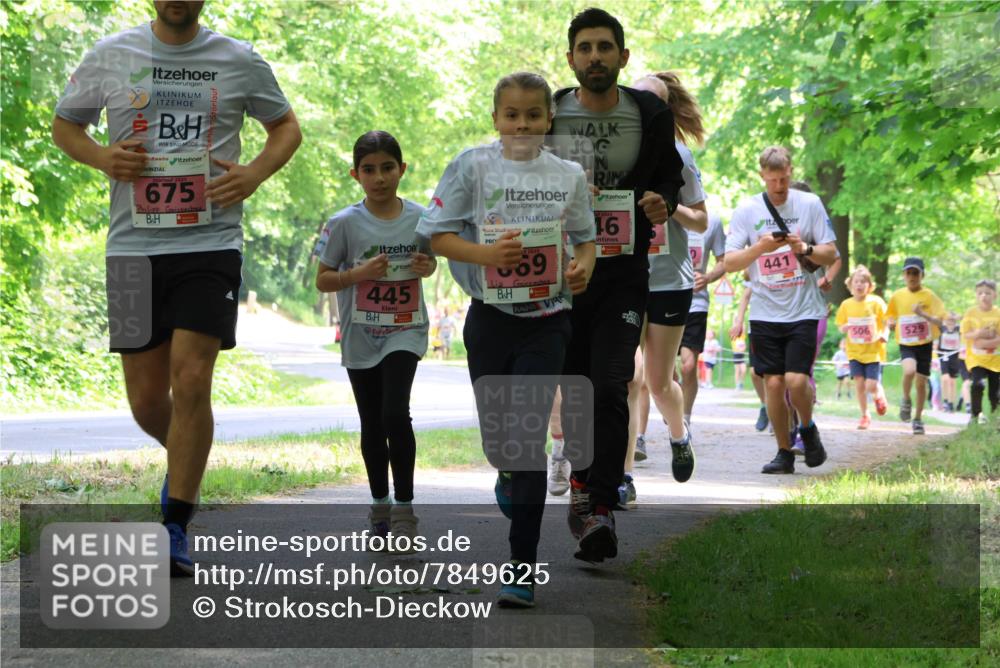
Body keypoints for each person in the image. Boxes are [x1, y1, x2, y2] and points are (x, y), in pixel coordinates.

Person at [51, 0, 301, 575]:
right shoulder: (111, 54)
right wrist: (103, 158)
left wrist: (254, 173)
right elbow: (66, 126)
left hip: (210, 243)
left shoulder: (237, 58)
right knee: (145, 401)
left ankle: (175, 522)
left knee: (191, 379)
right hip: (131, 247)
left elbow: (286, 127)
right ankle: (190, 455)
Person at [418, 71, 596, 606]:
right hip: (490, 318)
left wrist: (582, 268)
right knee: (502, 444)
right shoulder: (472, 166)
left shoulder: (568, 174)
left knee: (527, 439)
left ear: (549, 120)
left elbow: (585, 241)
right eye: (512, 115)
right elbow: (437, 236)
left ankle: (522, 568)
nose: (522, 125)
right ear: (496, 118)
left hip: (548, 319)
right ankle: (507, 474)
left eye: (533, 115)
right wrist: (486, 255)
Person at [549, 8, 685, 563]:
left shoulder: (650, 113)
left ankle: (600, 507)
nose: (595, 57)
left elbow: (670, 178)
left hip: (624, 274)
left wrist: (661, 201)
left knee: (611, 383)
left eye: (605, 47)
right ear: (571, 58)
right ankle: (583, 484)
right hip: (564, 274)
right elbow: (517, 173)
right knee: (577, 389)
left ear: (623, 57)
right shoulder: (550, 110)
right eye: (585, 48)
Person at [316, 131, 435, 548]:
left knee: (395, 413)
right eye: (369, 170)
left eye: (387, 168)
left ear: (402, 170)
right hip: (361, 333)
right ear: (356, 175)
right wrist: (358, 274)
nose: (379, 177)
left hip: (405, 328)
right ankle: (379, 505)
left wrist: (427, 266)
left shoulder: (421, 218)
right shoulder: (344, 223)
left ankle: (405, 509)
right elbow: (323, 279)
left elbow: (430, 261)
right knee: (371, 420)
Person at [724, 146, 838, 474]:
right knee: (773, 384)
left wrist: (806, 248)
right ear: (762, 175)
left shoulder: (810, 204)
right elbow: (730, 262)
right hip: (765, 311)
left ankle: (808, 428)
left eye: (784, 179)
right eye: (772, 180)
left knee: (796, 380)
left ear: (790, 172)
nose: (779, 187)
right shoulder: (747, 210)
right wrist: (760, 247)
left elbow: (831, 254)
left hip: (804, 308)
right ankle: (783, 452)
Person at [624, 70, 707, 501]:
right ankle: (623, 477)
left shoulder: (679, 156)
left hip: (669, 281)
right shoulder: (615, 153)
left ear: (665, 110)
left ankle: (678, 434)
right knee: (628, 379)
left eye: (653, 103)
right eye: (636, 100)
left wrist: (669, 206)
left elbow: (701, 220)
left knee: (658, 383)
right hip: (624, 278)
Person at [886, 257, 947, 435]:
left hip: (925, 344)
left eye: (915, 273)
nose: (912, 277)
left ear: (922, 275)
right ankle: (905, 399)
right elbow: (890, 315)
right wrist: (890, 323)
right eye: (909, 273)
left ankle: (918, 419)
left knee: (921, 383)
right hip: (906, 343)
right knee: (909, 371)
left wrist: (923, 314)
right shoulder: (898, 296)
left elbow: (940, 321)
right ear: (904, 275)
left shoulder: (929, 296)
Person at [835, 265, 888, 429]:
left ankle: (879, 396)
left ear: (869, 286)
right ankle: (865, 415)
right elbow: (840, 325)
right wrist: (844, 328)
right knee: (859, 384)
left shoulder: (876, 302)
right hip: (854, 352)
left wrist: (885, 334)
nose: (859, 285)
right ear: (850, 285)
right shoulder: (846, 304)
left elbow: (887, 322)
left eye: (863, 282)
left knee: (870, 385)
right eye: (856, 282)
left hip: (873, 352)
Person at [731, 273, 770, 431]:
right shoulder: (755, 267)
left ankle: (782, 414)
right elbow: (746, 295)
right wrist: (739, 321)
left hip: (781, 323)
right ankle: (765, 406)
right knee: (755, 373)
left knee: (777, 376)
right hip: (757, 326)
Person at [961, 279, 1000, 424]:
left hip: (995, 360)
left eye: (988, 293)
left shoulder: (998, 313)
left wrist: (984, 342)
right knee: (978, 385)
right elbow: (966, 334)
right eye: (980, 293)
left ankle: (996, 419)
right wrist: (979, 333)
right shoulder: (971, 313)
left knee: (995, 393)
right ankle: (975, 416)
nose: (984, 296)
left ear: (995, 295)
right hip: (976, 359)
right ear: (976, 295)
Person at [938, 312, 963, 412]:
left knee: (952, 382)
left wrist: (959, 317)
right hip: (943, 355)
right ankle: (945, 401)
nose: (950, 322)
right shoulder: (942, 328)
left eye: (952, 320)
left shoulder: (959, 329)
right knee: (945, 378)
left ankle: (951, 403)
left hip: (954, 356)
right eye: (948, 319)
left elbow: (967, 322)